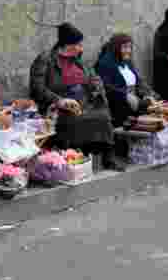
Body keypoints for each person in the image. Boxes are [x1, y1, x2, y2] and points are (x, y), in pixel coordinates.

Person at [29, 23, 123, 170]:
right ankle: (75, 156)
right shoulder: (46, 59)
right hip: (58, 106)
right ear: (68, 45)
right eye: (78, 44)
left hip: (83, 102)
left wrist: (96, 84)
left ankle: (108, 156)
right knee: (74, 118)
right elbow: (37, 88)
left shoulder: (79, 60)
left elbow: (93, 77)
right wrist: (59, 101)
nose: (81, 48)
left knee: (103, 115)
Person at [95, 33, 159, 129]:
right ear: (116, 48)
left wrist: (148, 94)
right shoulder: (105, 64)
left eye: (130, 47)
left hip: (136, 103)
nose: (128, 51)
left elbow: (139, 81)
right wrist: (126, 96)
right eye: (125, 47)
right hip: (120, 107)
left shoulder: (127, 62)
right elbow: (107, 88)